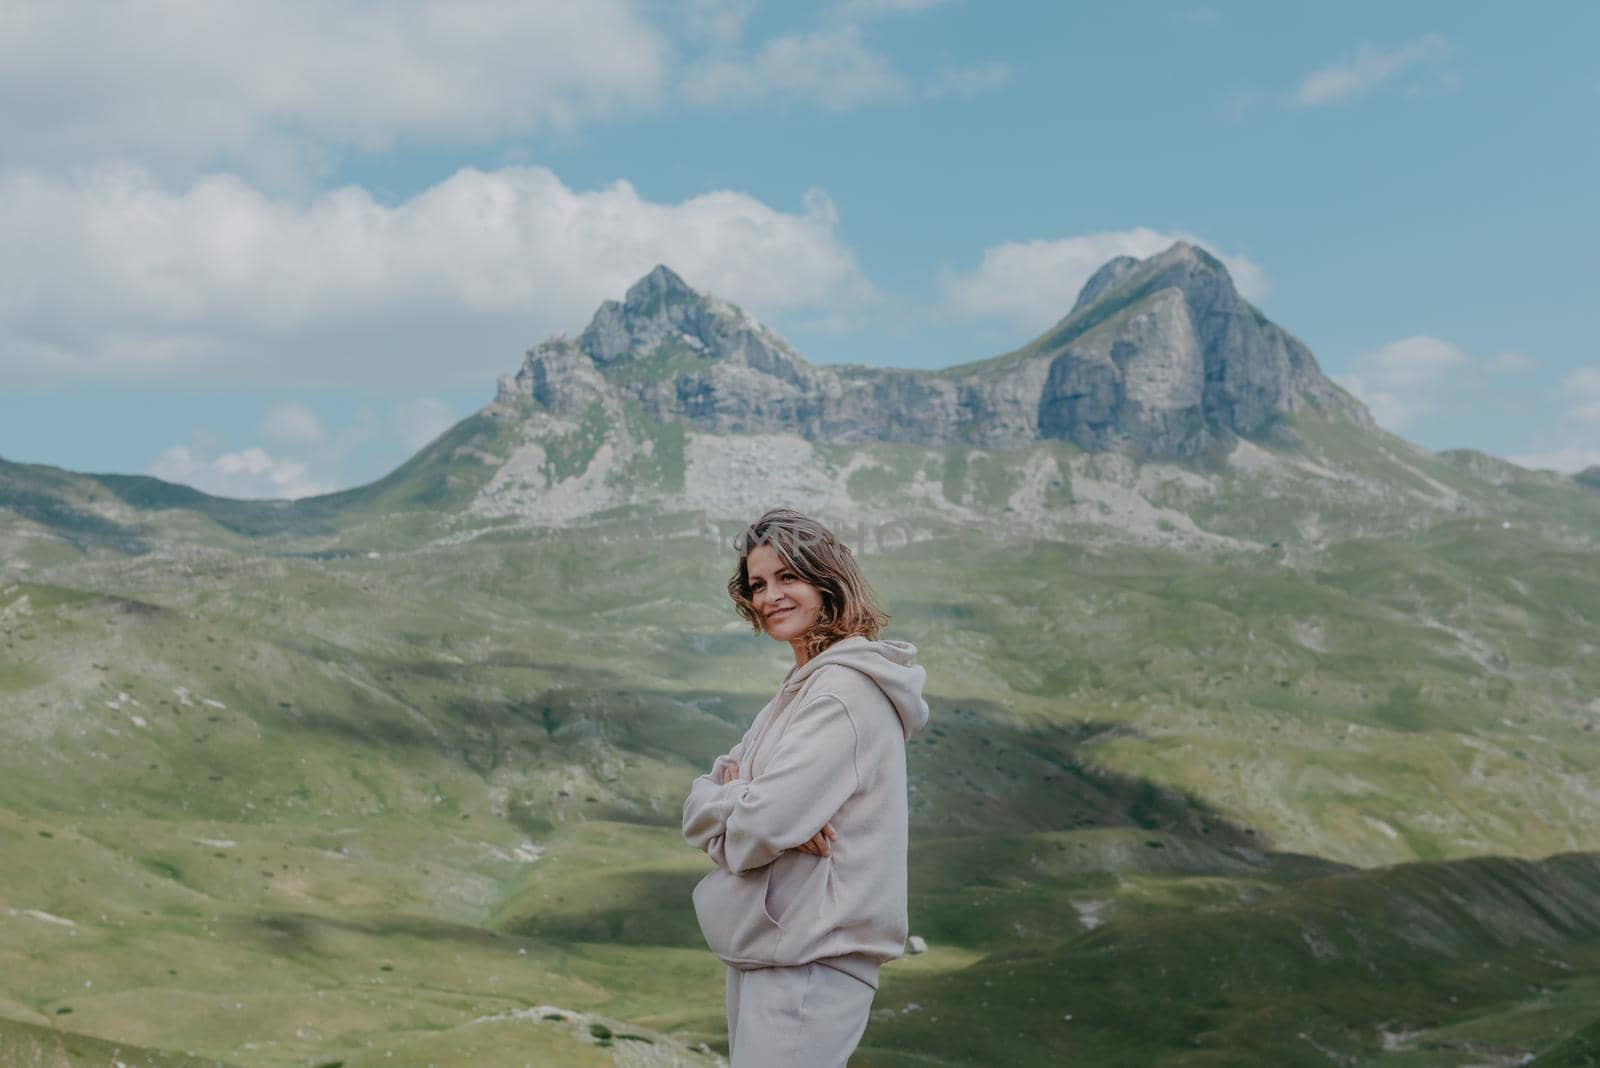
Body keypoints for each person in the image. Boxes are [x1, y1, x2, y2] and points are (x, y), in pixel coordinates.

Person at [682, 508, 930, 1067]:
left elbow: (756, 829)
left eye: (788, 577)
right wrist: (751, 810)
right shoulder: (797, 692)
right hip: (772, 945)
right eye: (758, 584)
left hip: (813, 956)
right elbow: (703, 804)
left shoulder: (842, 693)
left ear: (827, 581)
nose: (770, 596)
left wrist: (753, 817)